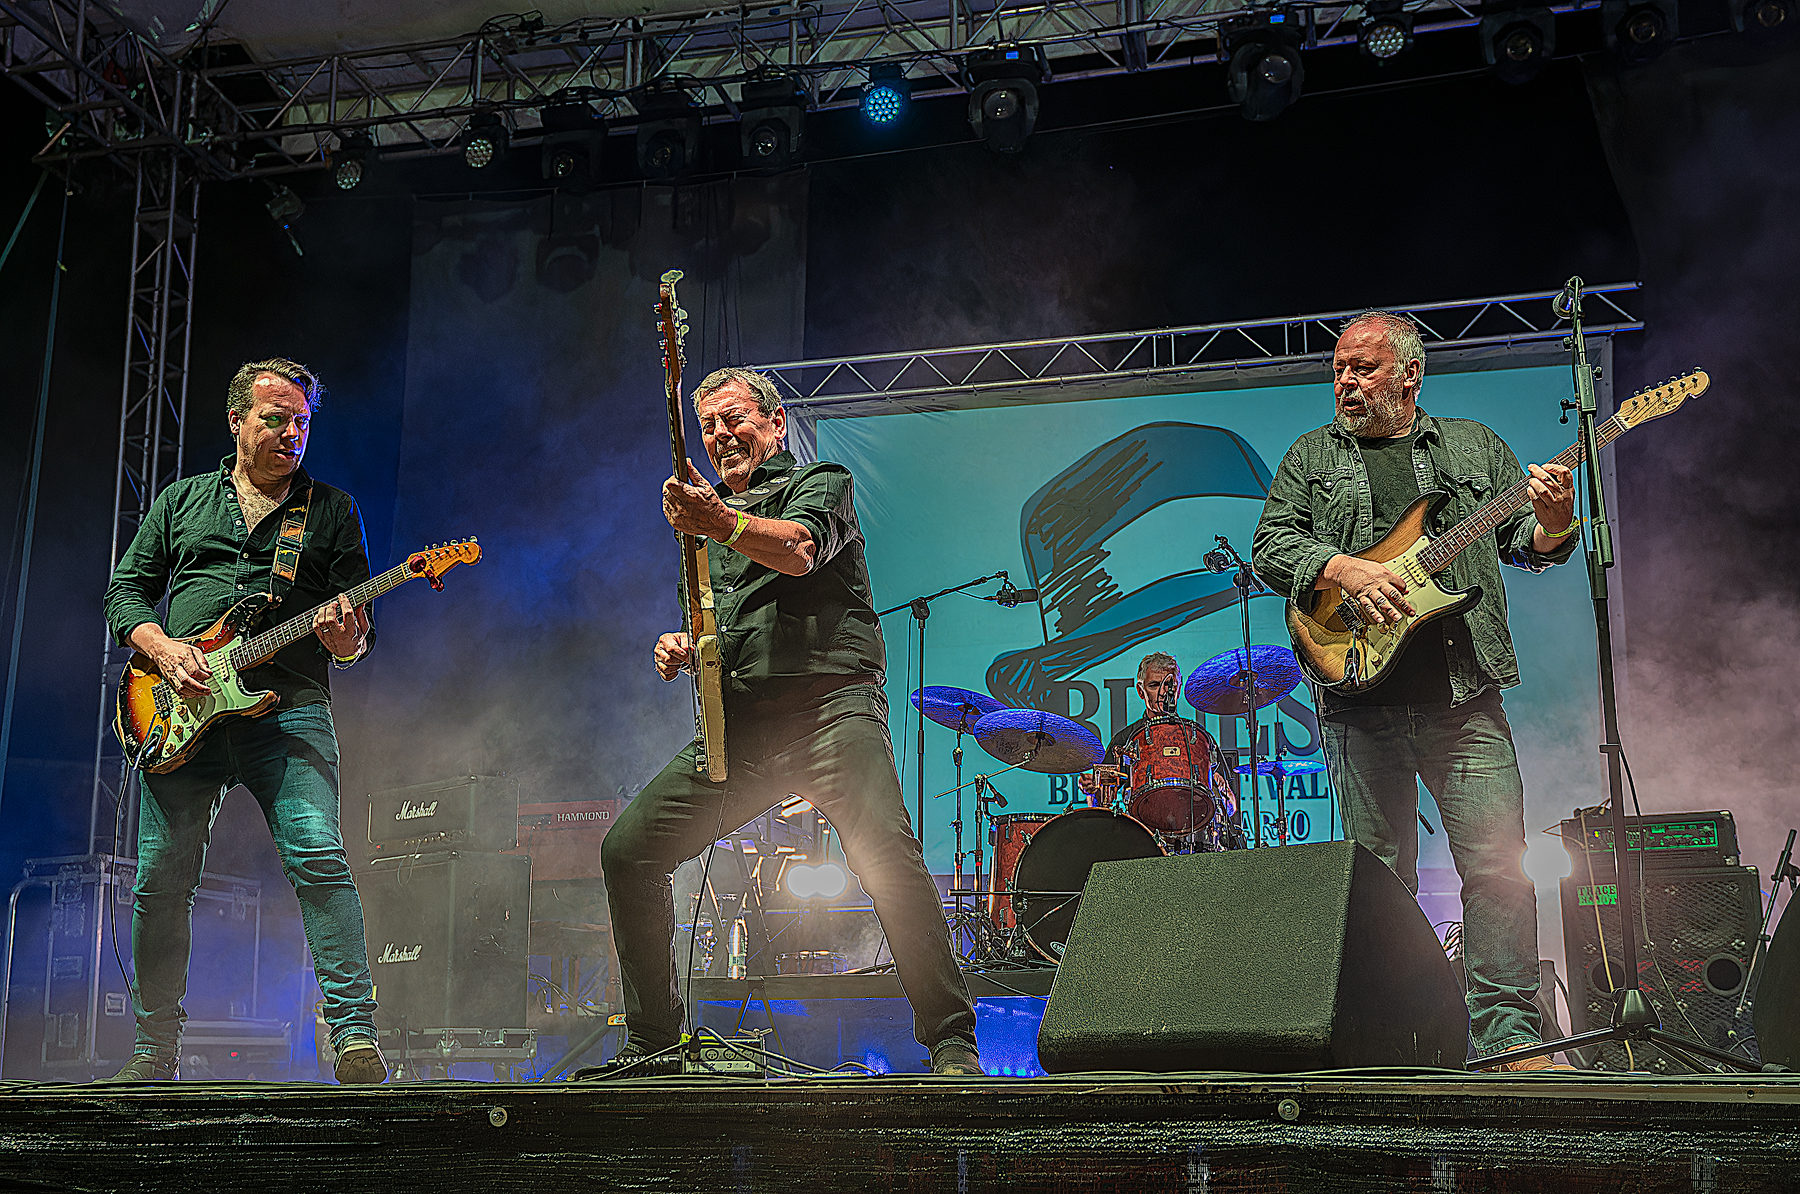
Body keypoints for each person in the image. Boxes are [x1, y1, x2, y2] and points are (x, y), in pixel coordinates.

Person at [599, 366, 981, 1077]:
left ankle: (952, 1040)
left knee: (886, 855)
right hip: (744, 731)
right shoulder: (705, 533)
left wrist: (720, 520)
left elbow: (801, 550)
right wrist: (684, 645)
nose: (720, 435)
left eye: (734, 418)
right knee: (628, 851)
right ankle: (653, 1043)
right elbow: (714, 626)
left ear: (775, 424)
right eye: (708, 426)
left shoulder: (821, 482)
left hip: (830, 713)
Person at [1251, 311, 1578, 1071]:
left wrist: (1555, 525)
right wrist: (1344, 568)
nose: (1345, 382)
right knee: (1381, 881)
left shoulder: (1472, 447)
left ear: (1409, 375)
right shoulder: (1311, 455)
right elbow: (1272, 544)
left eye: (1362, 368)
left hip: (1463, 699)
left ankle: (1510, 1037)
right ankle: (1397, 1039)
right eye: (1338, 368)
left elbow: (1524, 544)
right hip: (1357, 702)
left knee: (1498, 869)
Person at [102, 359, 387, 1084]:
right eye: (274, 418)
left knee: (319, 858)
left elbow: (357, 635)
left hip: (287, 711)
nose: (290, 434)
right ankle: (154, 1048)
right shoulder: (183, 501)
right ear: (237, 422)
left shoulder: (332, 511)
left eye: (301, 422)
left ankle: (354, 1036)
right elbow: (125, 593)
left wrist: (345, 639)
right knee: (160, 880)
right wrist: (164, 650)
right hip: (177, 711)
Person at [1079, 653, 1239, 847]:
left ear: (1178, 689)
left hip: (1195, 844)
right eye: (1154, 685)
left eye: (1169, 685)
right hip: (1143, 842)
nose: (1163, 692)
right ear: (1141, 691)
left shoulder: (1198, 738)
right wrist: (1092, 791)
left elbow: (1231, 808)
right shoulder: (1125, 740)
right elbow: (1100, 806)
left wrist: (1220, 789)